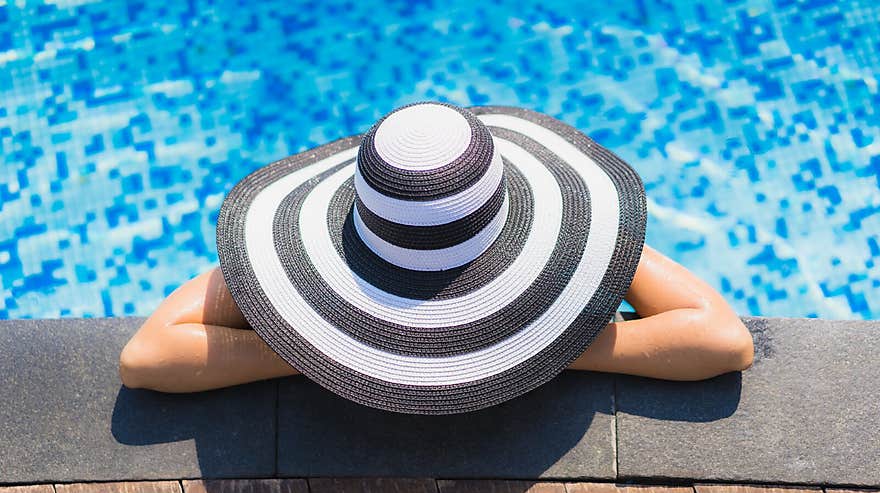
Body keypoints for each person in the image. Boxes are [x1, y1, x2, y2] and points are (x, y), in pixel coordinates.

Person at [119, 102, 754, 413]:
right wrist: (554, 340)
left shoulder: (320, 254)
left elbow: (151, 354)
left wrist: (317, 346)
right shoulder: (560, 258)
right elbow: (722, 339)